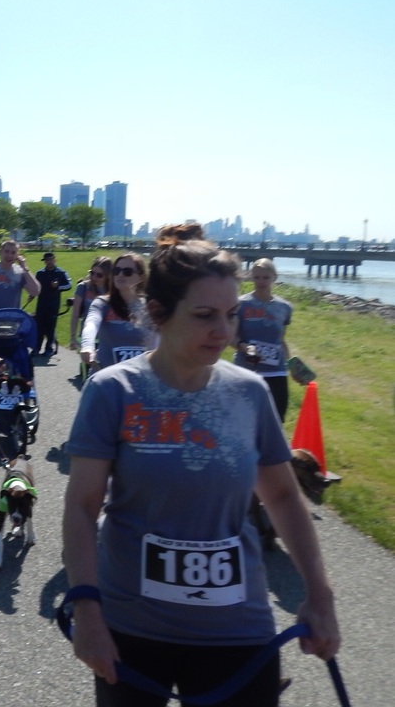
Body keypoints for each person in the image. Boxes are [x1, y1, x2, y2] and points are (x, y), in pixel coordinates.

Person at [62, 223, 340, 707]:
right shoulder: (113, 391)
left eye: (231, 315)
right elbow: (82, 507)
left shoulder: (249, 393)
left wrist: (320, 594)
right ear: (159, 313)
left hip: (237, 628)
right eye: (205, 315)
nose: (224, 332)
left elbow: (281, 496)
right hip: (132, 628)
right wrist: (86, 610)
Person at [233, 258, 293, 422]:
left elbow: (280, 340)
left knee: (276, 421)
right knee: (245, 420)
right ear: (251, 277)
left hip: (276, 372)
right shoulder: (241, 304)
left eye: (266, 277)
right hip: (247, 370)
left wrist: (293, 366)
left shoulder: (284, 307)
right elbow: (231, 337)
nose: (261, 281)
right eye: (257, 277)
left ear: (274, 278)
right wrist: (245, 347)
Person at [79, 253, 155, 372]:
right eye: (116, 270)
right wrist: (87, 345)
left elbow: (157, 341)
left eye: (127, 272)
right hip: (106, 376)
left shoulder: (149, 307)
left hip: (139, 377)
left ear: (140, 277)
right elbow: (91, 323)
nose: (120, 275)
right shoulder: (102, 303)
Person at [68, 257, 113, 352]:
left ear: (108, 276)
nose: (94, 277)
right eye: (92, 273)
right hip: (87, 338)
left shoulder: (114, 290)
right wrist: (72, 336)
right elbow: (75, 315)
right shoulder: (83, 287)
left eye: (99, 275)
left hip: (108, 339)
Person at [34, 251, 71, 355]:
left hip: (53, 304)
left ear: (55, 260)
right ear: (44, 261)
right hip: (41, 304)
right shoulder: (40, 273)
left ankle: (49, 349)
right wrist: (32, 294)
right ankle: (36, 348)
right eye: (47, 260)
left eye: (51, 260)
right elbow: (36, 286)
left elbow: (69, 285)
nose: (49, 262)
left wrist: (58, 287)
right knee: (39, 327)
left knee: (50, 327)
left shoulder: (61, 273)